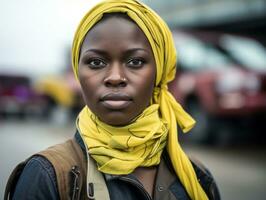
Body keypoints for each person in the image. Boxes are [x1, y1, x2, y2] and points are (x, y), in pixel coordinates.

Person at [5, 0, 220, 199]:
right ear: (77, 71)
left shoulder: (196, 177)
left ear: (160, 72)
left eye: (135, 61)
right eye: (96, 62)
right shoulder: (47, 175)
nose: (115, 78)